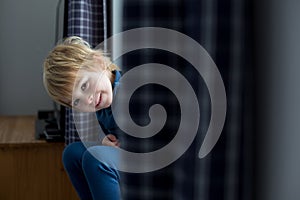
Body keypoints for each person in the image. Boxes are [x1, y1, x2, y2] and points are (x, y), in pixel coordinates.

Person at [43, 36, 122, 200]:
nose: (88, 100)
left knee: (96, 159)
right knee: (72, 153)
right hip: (124, 154)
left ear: (99, 62)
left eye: (84, 86)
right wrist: (106, 141)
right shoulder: (103, 106)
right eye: (77, 101)